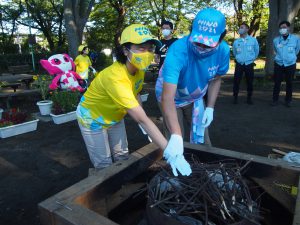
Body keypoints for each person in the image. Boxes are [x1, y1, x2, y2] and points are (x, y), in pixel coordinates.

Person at [76, 24, 191, 177]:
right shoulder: (115, 77)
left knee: (122, 155)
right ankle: (107, 194)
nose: (147, 53)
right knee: (104, 164)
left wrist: (142, 119)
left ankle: (121, 184)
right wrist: (171, 154)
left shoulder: (139, 69)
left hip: (115, 116)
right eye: (141, 48)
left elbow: (135, 93)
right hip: (92, 119)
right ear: (125, 50)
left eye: (150, 48)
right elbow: (142, 119)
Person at [155, 8, 230, 146]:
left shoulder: (223, 51)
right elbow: (168, 97)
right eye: (198, 41)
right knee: (176, 138)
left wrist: (210, 107)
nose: (201, 47)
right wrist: (176, 136)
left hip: (195, 96)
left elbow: (216, 79)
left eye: (208, 44)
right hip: (171, 96)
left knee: (203, 139)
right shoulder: (178, 50)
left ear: (221, 37)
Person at [271, 21, 300, 107]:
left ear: (289, 28)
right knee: (277, 82)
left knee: (289, 83)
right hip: (279, 64)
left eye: (284, 27)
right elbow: (276, 50)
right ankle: (275, 100)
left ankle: (288, 100)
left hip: (290, 64)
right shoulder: (276, 40)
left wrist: (290, 57)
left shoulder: (296, 39)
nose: (282, 29)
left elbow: (297, 50)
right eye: (281, 28)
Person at [232, 22, 259, 105]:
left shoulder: (253, 40)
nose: (240, 29)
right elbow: (235, 52)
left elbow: (256, 51)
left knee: (250, 82)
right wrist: (238, 58)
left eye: (242, 27)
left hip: (249, 64)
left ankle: (249, 98)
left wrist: (251, 59)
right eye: (240, 27)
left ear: (247, 29)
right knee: (236, 81)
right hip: (239, 64)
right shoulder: (236, 42)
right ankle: (235, 98)